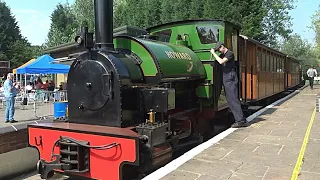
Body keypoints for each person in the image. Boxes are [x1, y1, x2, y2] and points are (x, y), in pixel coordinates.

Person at [210, 42, 247, 128]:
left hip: (230, 79)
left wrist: (213, 53)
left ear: (222, 47)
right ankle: (241, 119)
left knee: (233, 99)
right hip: (226, 79)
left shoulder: (230, 53)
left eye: (219, 49)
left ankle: (240, 121)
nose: (219, 51)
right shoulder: (223, 55)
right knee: (230, 100)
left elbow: (221, 62)